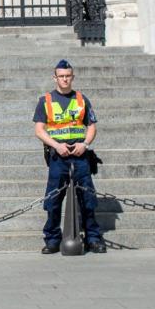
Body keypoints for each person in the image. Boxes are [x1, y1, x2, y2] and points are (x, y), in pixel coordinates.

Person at [33, 59, 105, 254]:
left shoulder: (82, 99)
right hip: (59, 156)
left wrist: (85, 144)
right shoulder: (45, 100)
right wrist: (56, 145)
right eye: (61, 76)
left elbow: (91, 126)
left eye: (68, 76)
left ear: (72, 77)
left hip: (80, 155)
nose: (65, 79)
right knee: (53, 200)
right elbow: (39, 130)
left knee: (87, 198)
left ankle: (93, 238)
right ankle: (52, 239)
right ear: (54, 78)